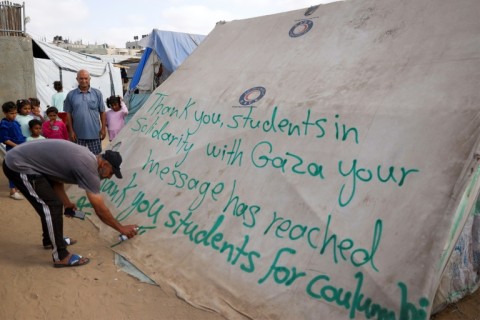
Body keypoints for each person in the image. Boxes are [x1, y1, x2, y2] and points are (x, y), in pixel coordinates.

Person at [2, 139, 138, 268]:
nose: (109, 177)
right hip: (18, 165)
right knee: (51, 206)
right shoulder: (88, 168)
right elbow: (100, 209)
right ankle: (61, 256)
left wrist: (66, 203)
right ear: (105, 164)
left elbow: (55, 177)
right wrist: (121, 228)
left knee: (53, 204)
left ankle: (51, 240)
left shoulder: (88, 159)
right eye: (112, 173)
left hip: (27, 162)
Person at [64, 69, 107, 155]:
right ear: (77, 79)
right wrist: (71, 131)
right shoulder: (71, 95)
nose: (84, 81)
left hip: (95, 134)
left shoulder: (97, 93)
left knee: (96, 158)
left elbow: (102, 112)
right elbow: (68, 113)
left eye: (86, 78)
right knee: (78, 158)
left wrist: (103, 128)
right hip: (77, 135)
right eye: (81, 78)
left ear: (89, 79)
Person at [0, 101, 26, 199]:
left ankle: (17, 187)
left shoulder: (15, 122)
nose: (14, 115)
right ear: (5, 113)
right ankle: (12, 191)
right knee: (13, 169)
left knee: (20, 168)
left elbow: (20, 134)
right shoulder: (4, 124)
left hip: (21, 147)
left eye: (15, 113)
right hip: (12, 149)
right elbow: (5, 139)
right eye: (11, 113)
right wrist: (16, 146)